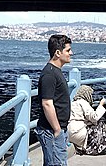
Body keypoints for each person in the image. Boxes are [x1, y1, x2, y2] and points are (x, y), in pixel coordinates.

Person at [36, 34, 73, 166]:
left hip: (58, 130)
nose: (71, 53)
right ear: (58, 53)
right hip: (51, 130)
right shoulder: (49, 74)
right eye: (68, 50)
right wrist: (57, 130)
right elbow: (47, 103)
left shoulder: (56, 71)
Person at [68, 85, 106, 156]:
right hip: (79, 133)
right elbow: (94, 117)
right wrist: (101, 105)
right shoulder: (83, 102)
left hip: (69, 133)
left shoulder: (72, 103)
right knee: (100, 123)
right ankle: (98, 147)